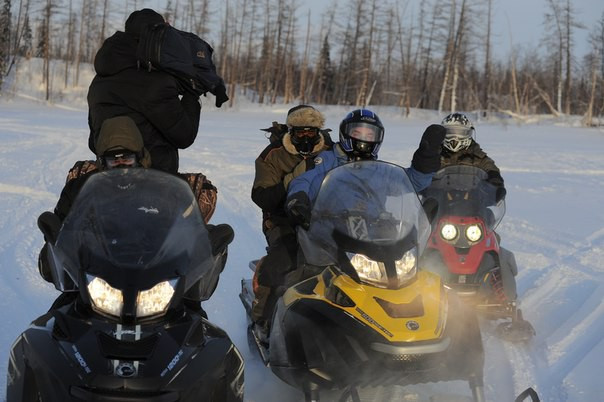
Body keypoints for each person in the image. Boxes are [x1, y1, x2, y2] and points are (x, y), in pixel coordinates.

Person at [250, 105, 332, 342]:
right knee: (284, 260)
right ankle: (263, 317)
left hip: (325, 217)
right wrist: (295, 178)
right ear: (290, 131)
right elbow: (262, 196)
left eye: (311, 133)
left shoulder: (330, 151)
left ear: (318, 132)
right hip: (282, 219)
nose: (305, 138)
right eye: (299, 133)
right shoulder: (272, 155)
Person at [286, 108, 447, 229]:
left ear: (378, 139)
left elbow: (412, 182)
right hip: (330, 230)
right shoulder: (328, 160)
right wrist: (298, 200)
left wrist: (426, 157)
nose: (363, 140)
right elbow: (305, 180)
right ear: (345, 133)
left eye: (369, 136)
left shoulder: (380, 170)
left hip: (372, 232)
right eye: (357, 133)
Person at [87, 8, 202, 174]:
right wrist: (193, 93)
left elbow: (95, 141)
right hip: (152, 184)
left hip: (108, 181)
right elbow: (184, 135)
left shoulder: (99, 81)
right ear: (156, 36)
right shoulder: (156, 82)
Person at [439, 112, 506, 202]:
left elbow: (490, 168)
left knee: (489, 213)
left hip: (473, 206)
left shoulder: (478, 157)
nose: (455, 137)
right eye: (450, 132)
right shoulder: (435, 155)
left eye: (460, 132)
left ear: (468, 133)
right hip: (440, 206)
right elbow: (421, 174)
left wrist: (495, 183)